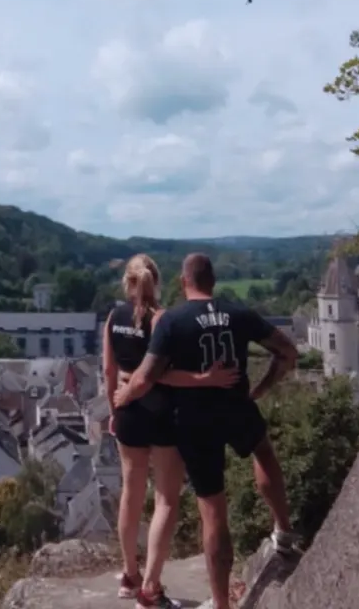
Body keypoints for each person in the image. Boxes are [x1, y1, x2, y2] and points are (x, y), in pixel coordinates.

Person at [114, 253, 298, 609]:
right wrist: (261, 388)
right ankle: (284, 529)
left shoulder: (173, 320)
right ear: (213, 281)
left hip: (195, 421)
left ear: (184, 282)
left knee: (213, 512)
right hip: (236, 405)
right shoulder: (239, 313)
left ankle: (221, 603)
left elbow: (146, 376)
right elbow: (287, 352)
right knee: (263, 452)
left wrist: (124, 395)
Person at [104, 254, 239, 608]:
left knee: (131, 492)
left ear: (127, 283)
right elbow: (164, 375)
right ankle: (151, 587)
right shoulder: (162, 319)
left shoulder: (113, 318)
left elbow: (108, 370)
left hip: (127, 410)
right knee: (166, 498)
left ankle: (129, 574)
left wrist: (114, 409)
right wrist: (206, 378)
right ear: (158, 281)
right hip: (161, 412)